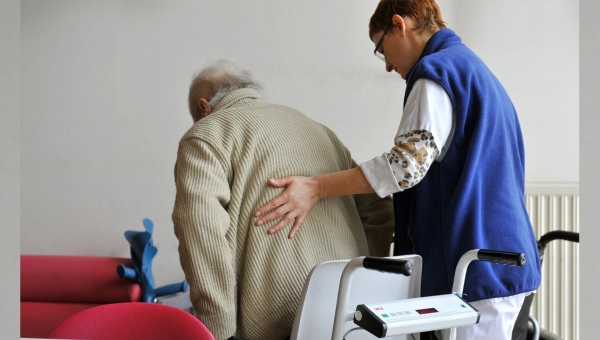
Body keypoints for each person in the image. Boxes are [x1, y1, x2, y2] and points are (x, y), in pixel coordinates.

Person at [254, 1, 541, 339]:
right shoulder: (474, 71)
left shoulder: (436, 74)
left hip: (477, 267)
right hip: (503, 258)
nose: (388, 65)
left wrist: (316, 187)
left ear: (399, 25)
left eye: (381, 49)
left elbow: (404, 167)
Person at [171, 59, 394, 340]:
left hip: (275, 318)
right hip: (351, 308)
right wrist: (363, 273)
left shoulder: (207, 133)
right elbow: (380, 206)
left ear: (204, 107)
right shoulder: (317, 129)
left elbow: (200, 228)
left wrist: (217, 326)